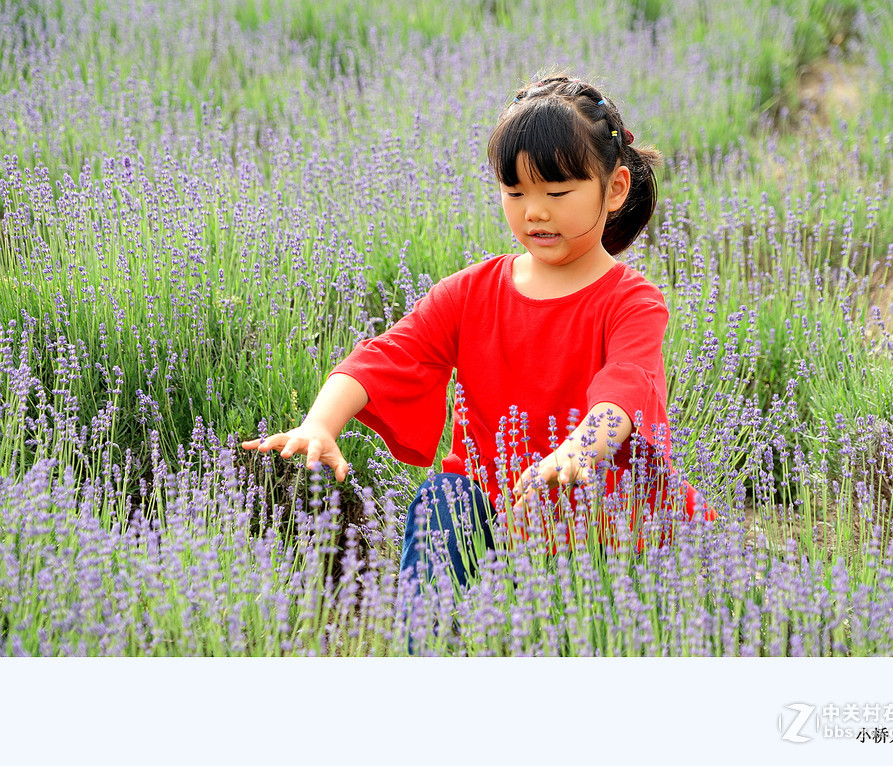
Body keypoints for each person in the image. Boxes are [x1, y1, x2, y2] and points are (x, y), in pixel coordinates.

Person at [242, 74, 713, 596]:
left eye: (556, 192)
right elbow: (388, 355)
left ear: (615, 188)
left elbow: (626, 385)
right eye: (515, 192)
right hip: (488, 507)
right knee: (441, 505)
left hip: (603, 506)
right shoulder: (472, 292)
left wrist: (579, 450)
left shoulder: (630, 300)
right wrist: (319, 424)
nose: (534, 211)